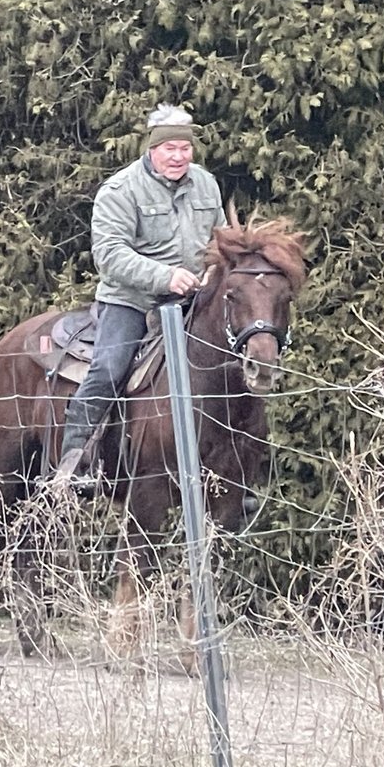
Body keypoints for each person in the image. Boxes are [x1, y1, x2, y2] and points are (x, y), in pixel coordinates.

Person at [53, 103, 226, 490]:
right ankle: (75, 459)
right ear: (152, 148)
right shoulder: (120, 190)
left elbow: (222, 238)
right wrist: (165, 277)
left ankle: (237, 469)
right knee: (110, 367)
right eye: (170, 149)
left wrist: (218, 269)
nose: (178, 157)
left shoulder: (206, 184)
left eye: (185, 148)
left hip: (193, 300)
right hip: (131, 302)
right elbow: (110, 255)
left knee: (232, 362)